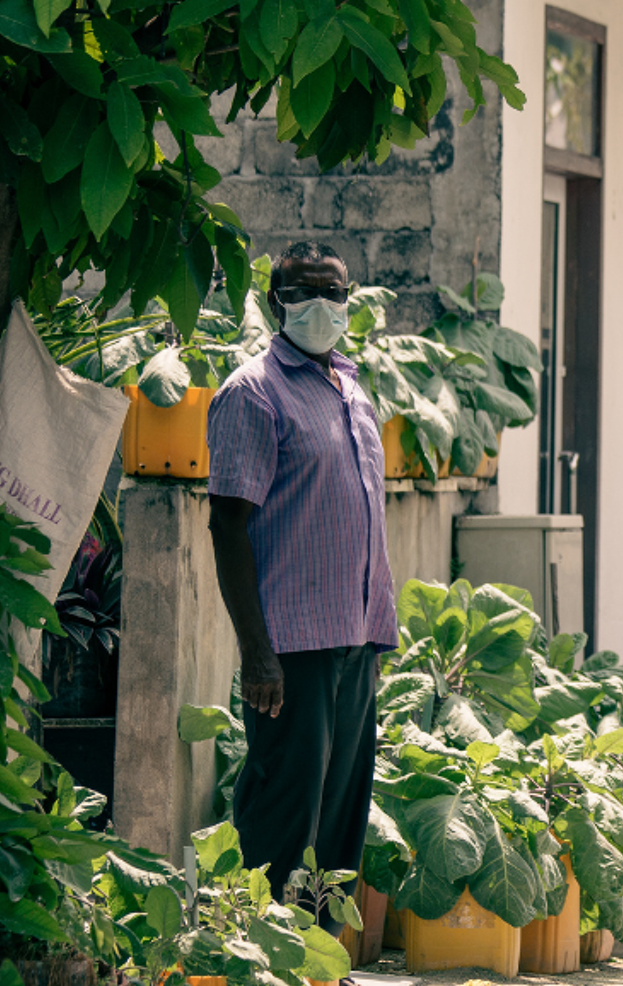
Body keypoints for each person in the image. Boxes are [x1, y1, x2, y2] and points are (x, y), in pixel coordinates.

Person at [207, 242, 394, 931]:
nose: (320, 307)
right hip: (291, 646)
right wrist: (256, 653)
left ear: (349, 302)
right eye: (303, 292)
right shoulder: (252, 393)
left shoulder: (350, 386)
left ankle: (320, 958)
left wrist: (377, 630)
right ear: (275, 300)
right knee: (282, 810)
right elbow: (227, 526)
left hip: (356, 634)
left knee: (342, 814)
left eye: (332, 293)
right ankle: (251, 954)